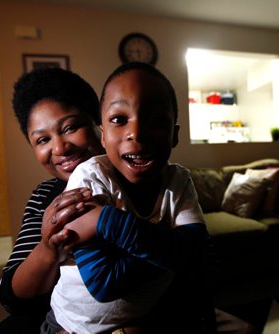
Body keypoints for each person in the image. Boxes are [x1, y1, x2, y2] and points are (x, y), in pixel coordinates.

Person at [44, 61, 214, 334]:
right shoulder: (89, 179)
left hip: (143, 319)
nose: (136, 132)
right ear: (102, 135)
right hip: (74, 327)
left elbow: (197, 255)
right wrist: (169, 247)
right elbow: (104, 283)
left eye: (157, 119)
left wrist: (105, 219)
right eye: (119, 119)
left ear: (175, 135)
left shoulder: (178, 180)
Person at [0, 67, 104, 333]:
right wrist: (48, 248)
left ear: (98, 122)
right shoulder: (46, 197)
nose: (59, 148)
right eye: (43, 139)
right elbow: (11, 297)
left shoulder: (135, 177)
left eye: (70, 127)